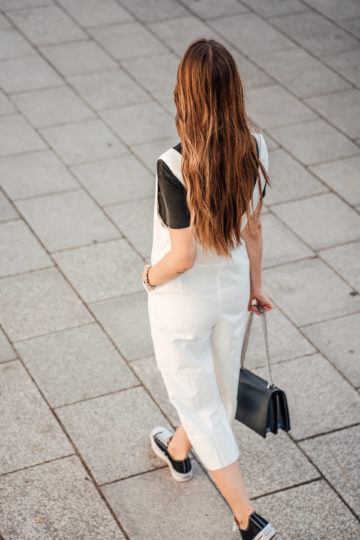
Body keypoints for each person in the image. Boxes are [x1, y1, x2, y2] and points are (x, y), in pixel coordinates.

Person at [142, 38, 276, 540]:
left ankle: (247, 517)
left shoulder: (174, 164)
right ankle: (178, 452)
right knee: (214, 396)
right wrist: (255, 286)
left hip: (182, 301)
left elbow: (181, 257)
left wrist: (146, 277)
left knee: (201, 401)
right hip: (231, 292)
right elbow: (253, 229)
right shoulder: (257, 147)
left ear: (187, 95)